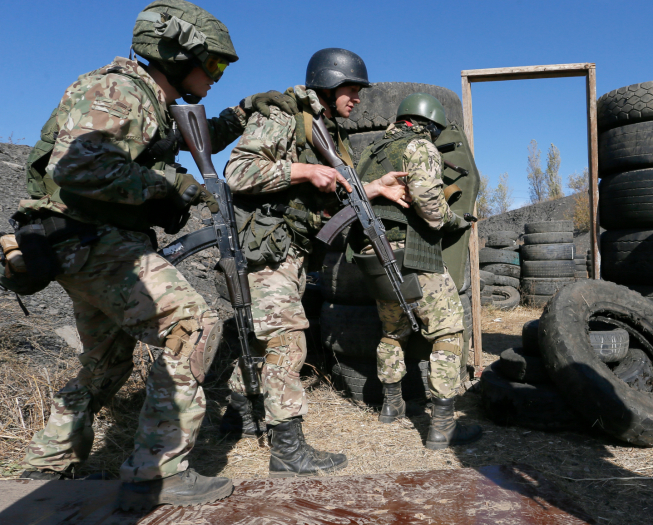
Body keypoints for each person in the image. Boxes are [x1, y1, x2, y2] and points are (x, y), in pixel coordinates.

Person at [13, 0, 294, 510]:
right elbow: (78, 167)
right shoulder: (120, 89)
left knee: (106, 362)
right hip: (94, 241)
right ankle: (156, 471)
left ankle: (43, 467)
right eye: (212, 65)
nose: (216, 76)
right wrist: (172, 185)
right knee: (193, 326)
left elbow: (179, 138)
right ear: (173, 54)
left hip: (84, 246)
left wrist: (243, 111)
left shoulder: (150, 100)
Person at [221, 48, 410, 476]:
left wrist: (373, 187)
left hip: (288, 250)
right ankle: (288, 449)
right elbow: (238, 171)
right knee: (289, 342)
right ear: (327, 82)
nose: (358, 99)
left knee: (261, 341)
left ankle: (243, 418)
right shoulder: (285, 116)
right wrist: (303, 171)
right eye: (352, 88)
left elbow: (338, 186)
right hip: (268, 250)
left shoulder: (323, 130)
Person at [351, 93, 481, 450]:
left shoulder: (371, 153)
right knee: (448, 331)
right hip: (413, 253)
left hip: (373, 253)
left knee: (394, 330)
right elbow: (430, 207)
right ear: (430, 125)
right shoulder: (420, 146)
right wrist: (456, 222)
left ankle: (391, 407)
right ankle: (442, 426)